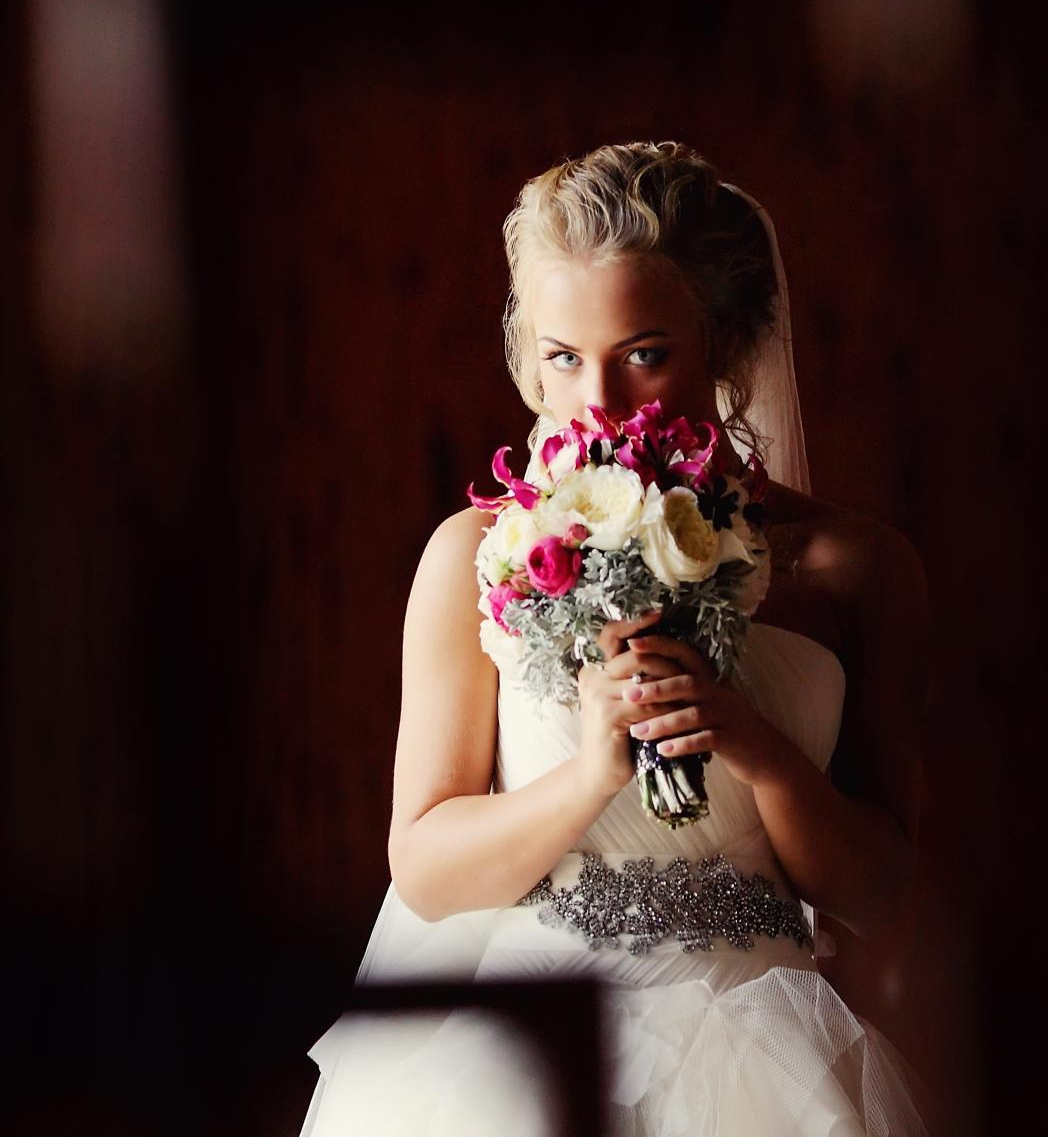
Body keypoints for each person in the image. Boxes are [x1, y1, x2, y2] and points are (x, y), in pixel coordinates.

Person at [299, 141, 933, 1136]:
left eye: (644, 352)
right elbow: (423, 863)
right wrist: (590, 773)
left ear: (719, 343)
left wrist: (755, 747)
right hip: (522, 1062)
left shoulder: (855, 569)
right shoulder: (479, 551)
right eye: (563, 356)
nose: (596, 403)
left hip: (765, 1066)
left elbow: (878, 890)